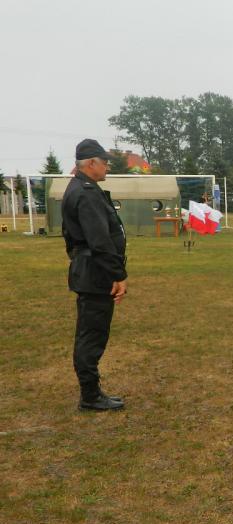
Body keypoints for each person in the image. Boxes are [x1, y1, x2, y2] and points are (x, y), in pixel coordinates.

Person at [62, 139, 127, 411]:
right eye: (105, 162)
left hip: (89, 268)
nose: (108, 166)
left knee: (92, 332)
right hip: (95, 272)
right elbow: (99, 241)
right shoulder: (86, 192)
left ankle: (91, 392)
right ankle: (90, 396)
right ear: (91, 163)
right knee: (92, 335)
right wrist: (118, 274)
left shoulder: (80, 188)